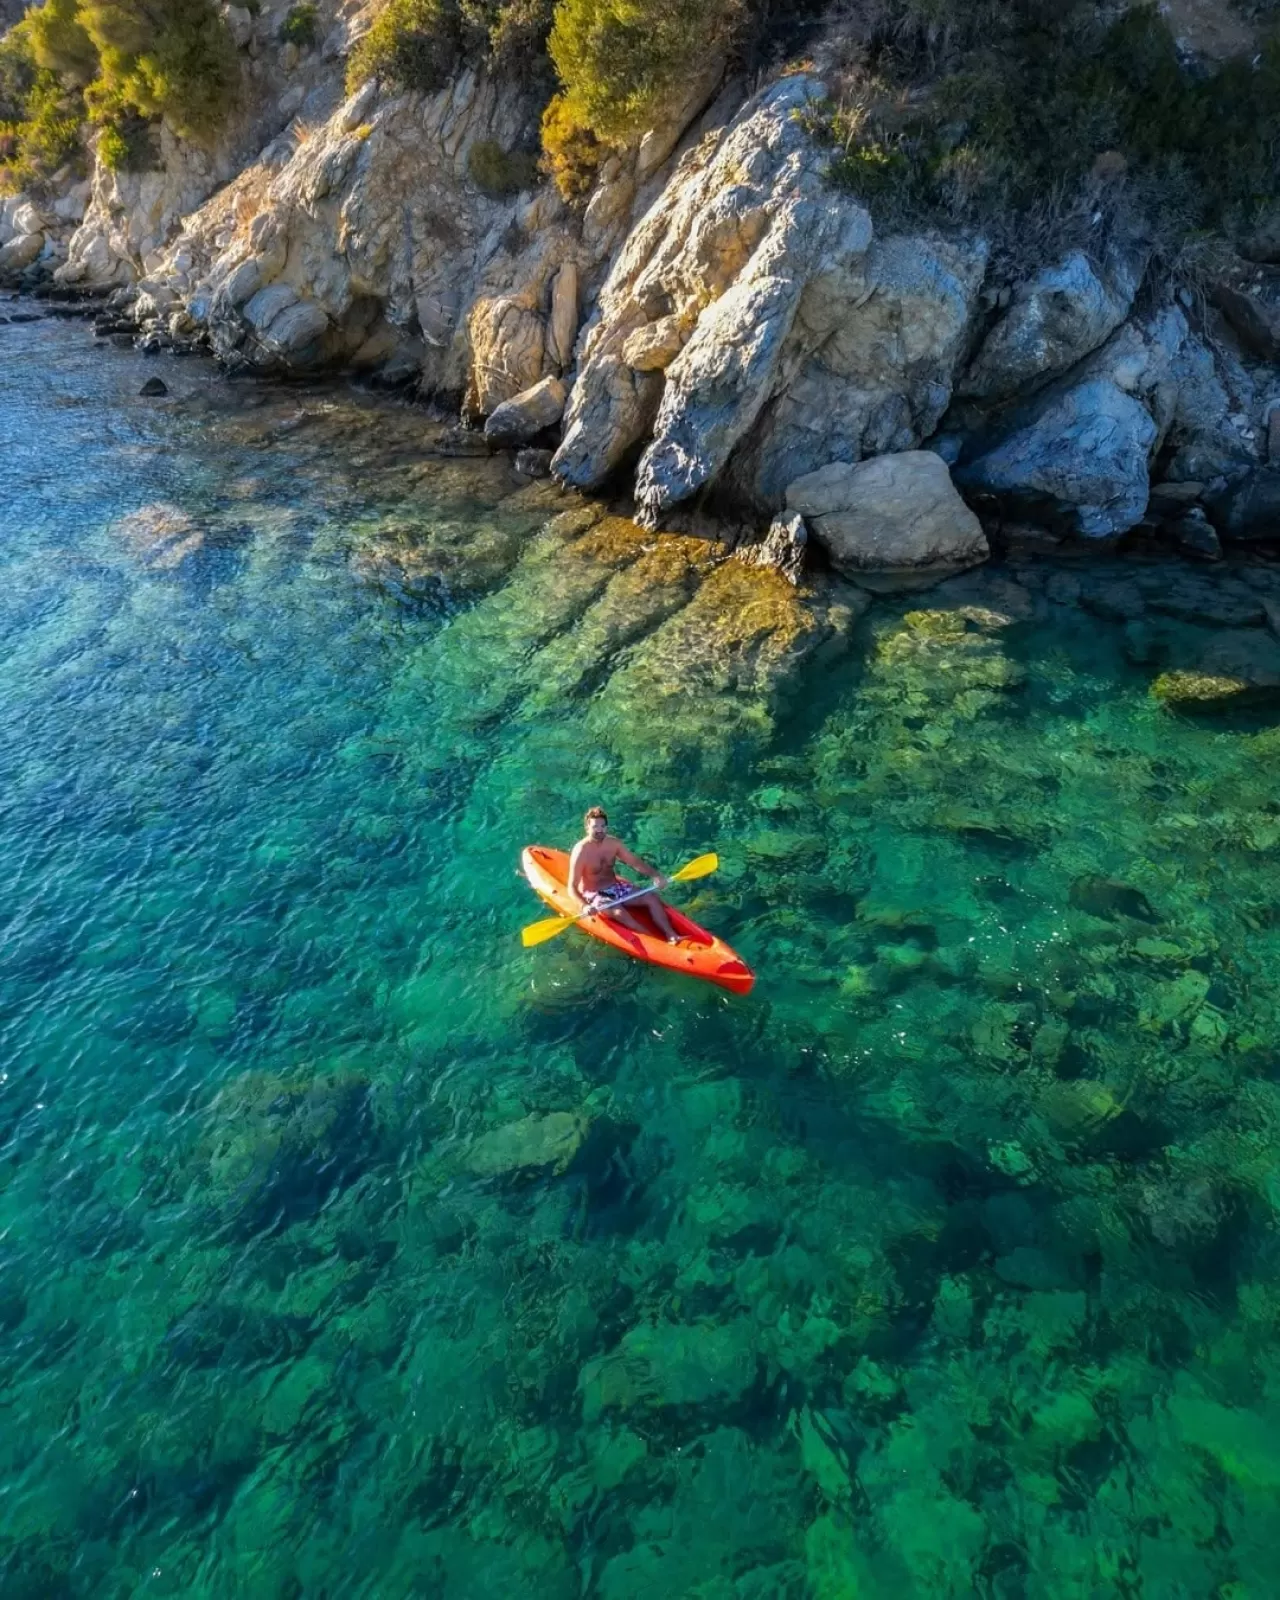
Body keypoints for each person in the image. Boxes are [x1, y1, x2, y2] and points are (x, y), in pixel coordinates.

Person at [569, 806, 682, 944]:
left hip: (615, 887)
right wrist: (584, 906)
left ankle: (671, 935)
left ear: (606, 827)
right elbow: (572, 887)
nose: (599, 830)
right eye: (595, 826)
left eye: (603, 826)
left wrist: (656, 875)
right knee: (620, 913)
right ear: (587, 827)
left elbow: (634, 862)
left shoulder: (613, 843)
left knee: (651, 897)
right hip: (594, 894)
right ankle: (656, 942)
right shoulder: (581, 851)